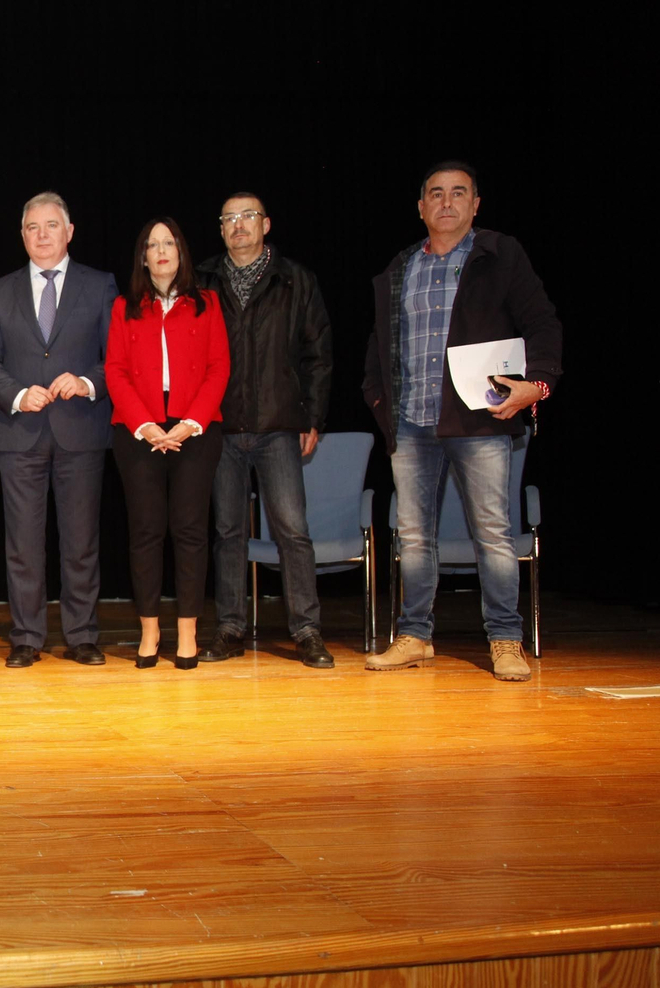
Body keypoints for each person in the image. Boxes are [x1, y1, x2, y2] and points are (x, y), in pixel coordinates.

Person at [363, 161, 561, 681]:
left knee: (493, 534)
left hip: (479, 422)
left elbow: (542, 323)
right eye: (436, 194)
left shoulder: (499, 256)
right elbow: (379, 345)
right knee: (413, 535)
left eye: (458, 193)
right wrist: (380, 400)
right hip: (410, 424)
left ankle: (505, 640)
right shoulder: (402, 267)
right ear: (421, 207)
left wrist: (535, 385)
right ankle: (414, 636)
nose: (446, 202)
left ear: (476, 205)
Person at [0, 192, 116, 668]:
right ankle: (27, 637)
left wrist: (86, 382)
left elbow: (114, 360)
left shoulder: (100, 286)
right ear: (22, 235)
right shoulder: (1, 288)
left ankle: (82, 636)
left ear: (69, 231)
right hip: (20, 432)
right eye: (32, 227)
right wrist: (16, 394)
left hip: (81, 430)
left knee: (80, 542)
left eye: (51, 226)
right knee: (23, 545)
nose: (42, 235)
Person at [195, 193, 335, 669]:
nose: (238, 225)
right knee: (227, 530)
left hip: (279, 423)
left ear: (266, 224)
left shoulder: (296, 279)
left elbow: (318, 355)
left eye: (247, 217)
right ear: (220, 229)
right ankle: (231, 627)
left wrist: (312, 415)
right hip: (221, 425)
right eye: (229, 218)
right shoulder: (203, 279)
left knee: (293, 531)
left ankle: (307, 630)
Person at [105, 218, 230, 670]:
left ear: (181, 252)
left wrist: (191, 422)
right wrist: (145, 425)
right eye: (152, 245)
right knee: (145, 532)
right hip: (139, 431)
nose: (161, 251)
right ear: (143, 256)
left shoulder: (208, 303)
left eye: (169, 243)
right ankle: (149, 631)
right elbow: (115, 371)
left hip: (194, 430)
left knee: (191, 530)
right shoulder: (124, 307)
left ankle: (189, 634)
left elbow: (219, 367)